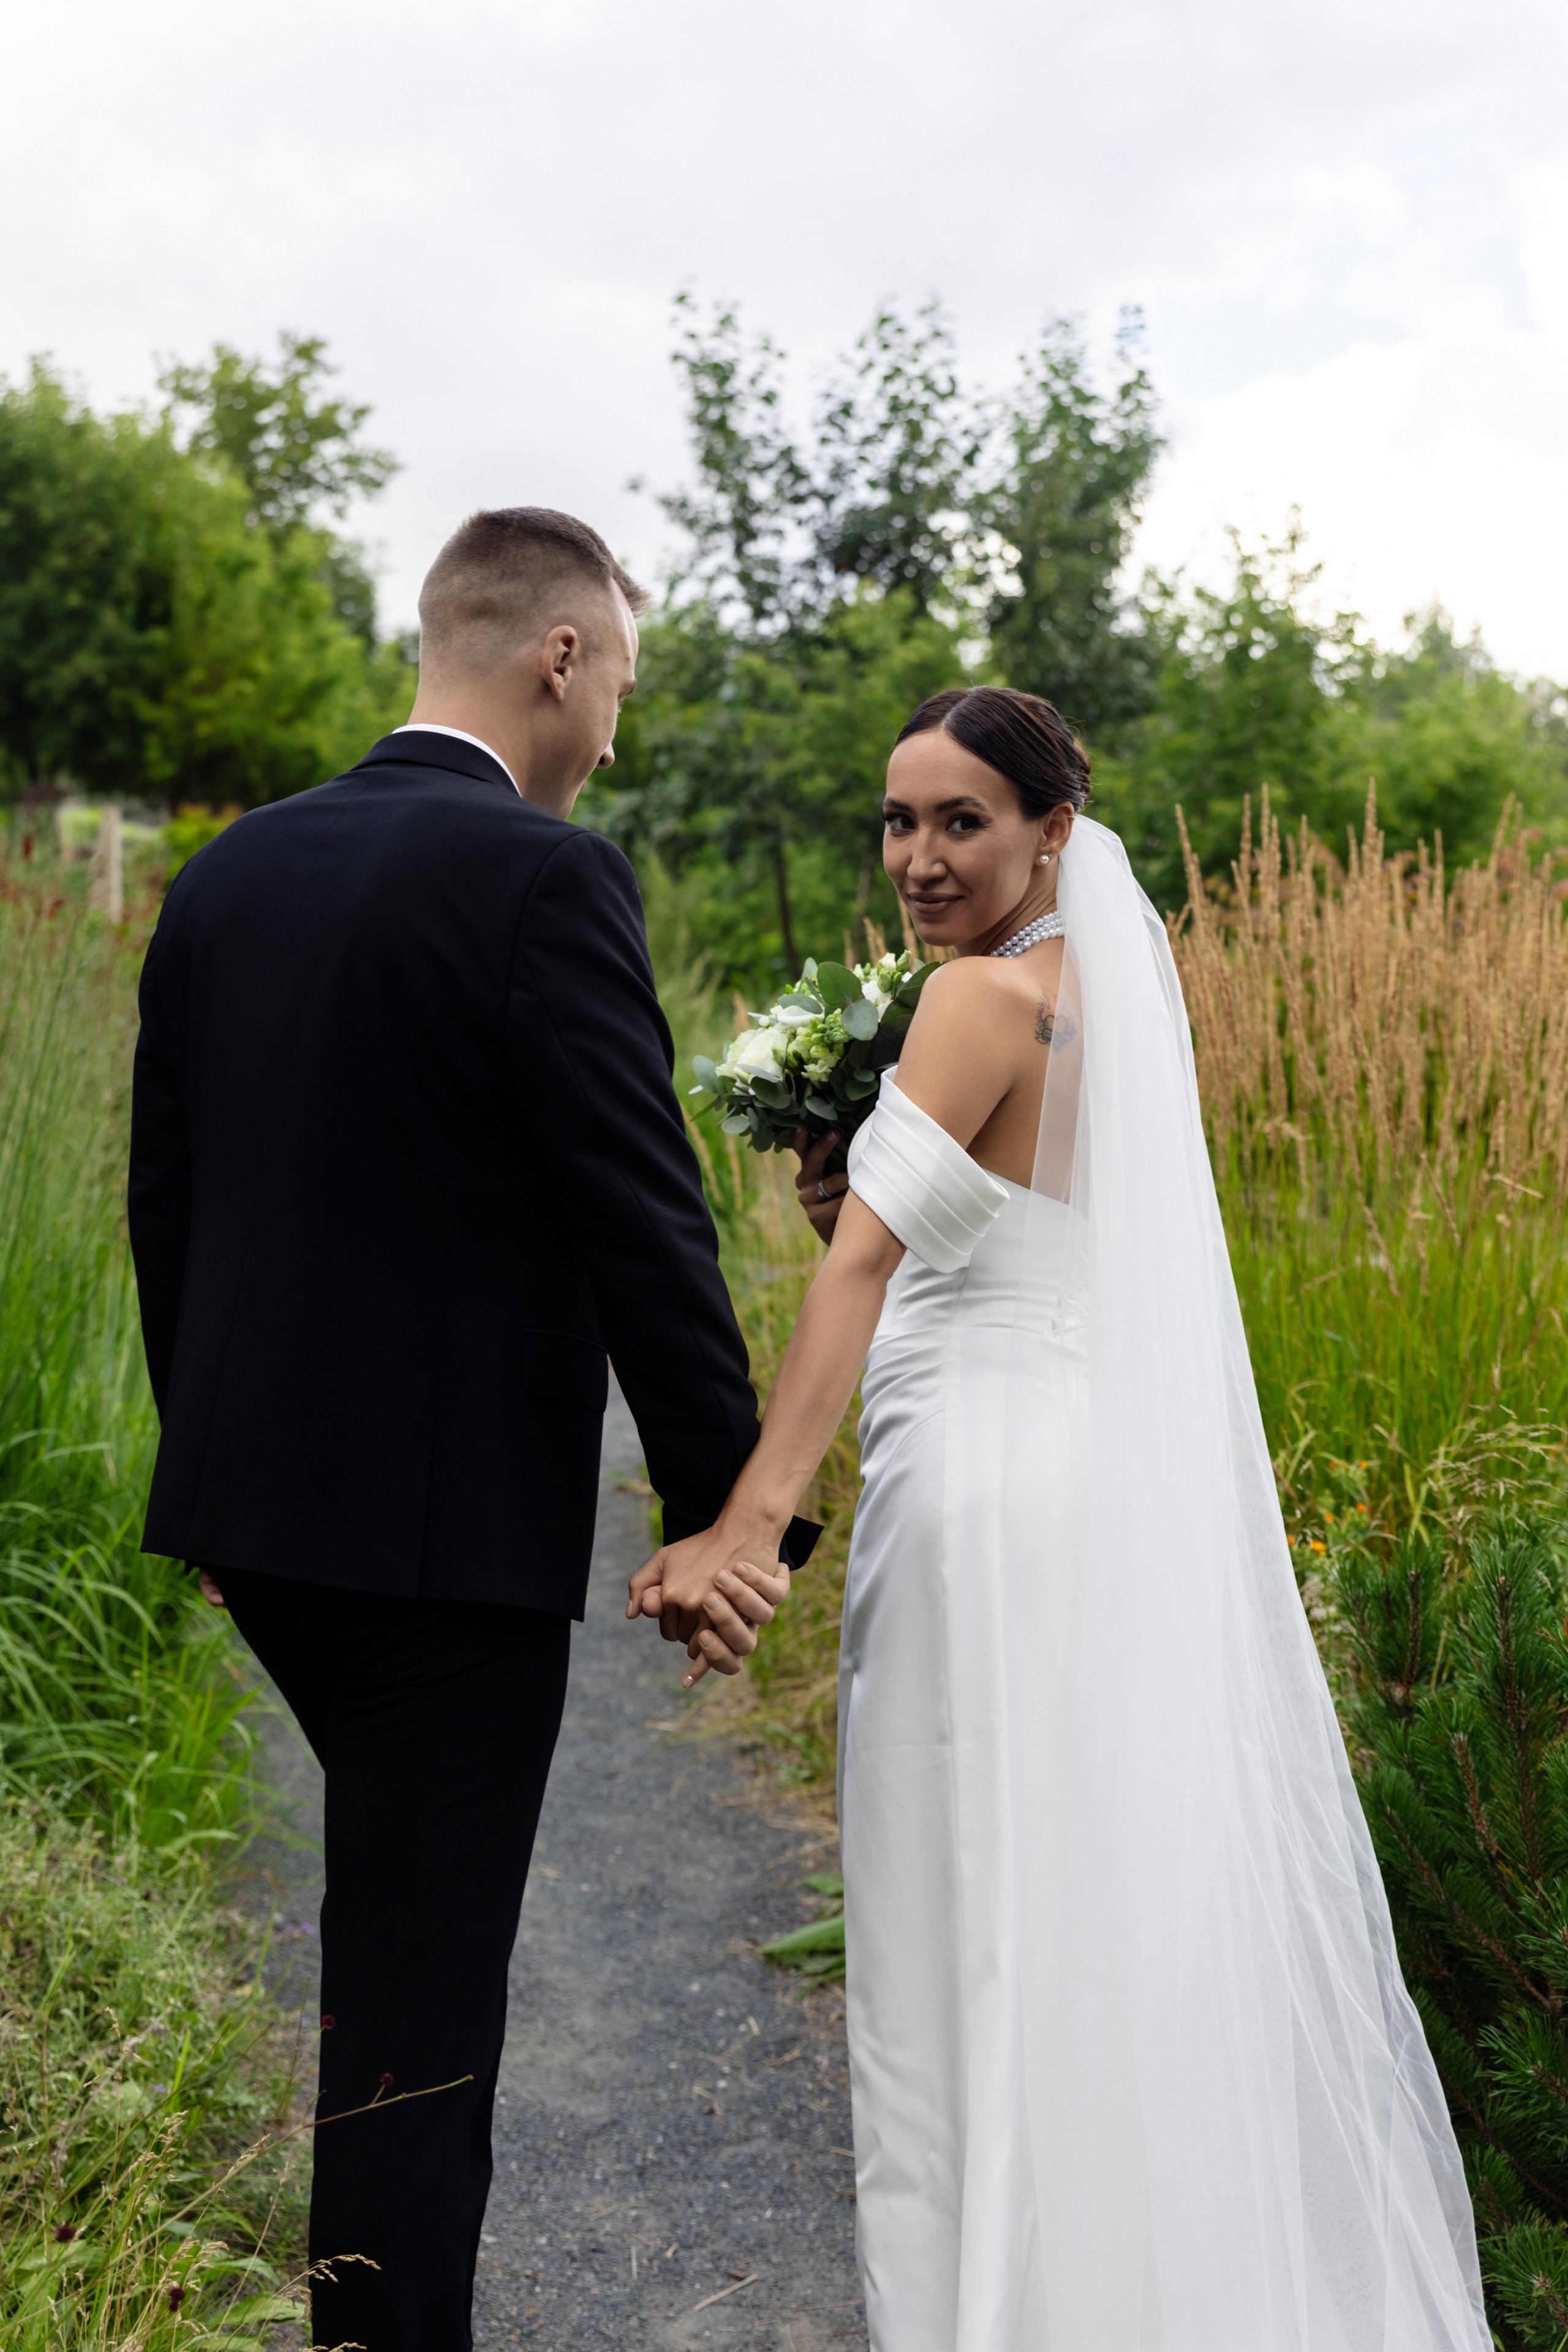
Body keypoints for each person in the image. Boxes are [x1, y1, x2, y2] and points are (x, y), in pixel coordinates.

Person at [632, 685, 1492, 2351]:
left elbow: (866, 1270)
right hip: (1088, 1491)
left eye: (962, 820)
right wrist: (862, 1166)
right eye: (899, 820)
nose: (919, 856)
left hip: (970, 1496)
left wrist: (754, 1527)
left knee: (963, 1940)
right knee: (1076, 1914)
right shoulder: (1100, 1003)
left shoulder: (967, 999)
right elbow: (1000, 1219)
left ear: (1052, 833)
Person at [127, 505, 816, 2352]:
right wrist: (731, 1508)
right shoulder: (543, 877)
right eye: (624, 693)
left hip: (266, 1519)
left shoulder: (230, 873)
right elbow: (639, 1211)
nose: (616, 740)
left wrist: (209, 1485)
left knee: (395, 1945)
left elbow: (167, 1209)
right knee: (422, 2012)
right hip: (440, 1553)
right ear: (560, 658)